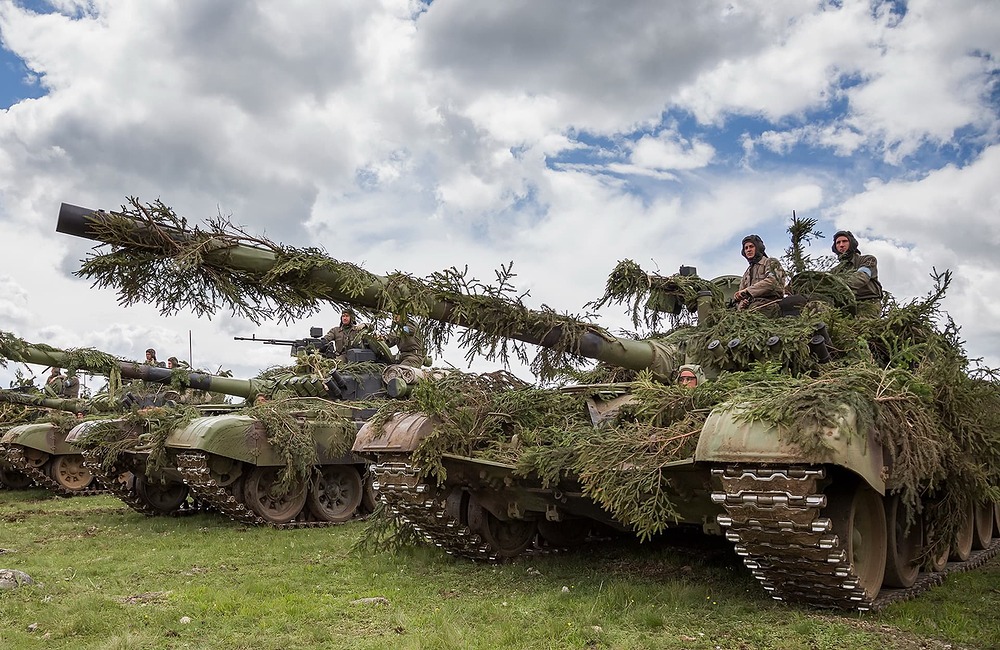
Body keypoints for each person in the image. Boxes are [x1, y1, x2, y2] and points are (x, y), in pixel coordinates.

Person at [831, 230, 883, 317]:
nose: (841, 245)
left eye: (844, 241)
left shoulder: (868, 260)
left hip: (868, 303)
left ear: (852, 243)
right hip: (846, 306)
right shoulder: (835, 271)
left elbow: (862, 276)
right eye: (838, 243)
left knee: (864, 325)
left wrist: (839, 286)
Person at [731, 234, 787, 311]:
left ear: (758, 248)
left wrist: (748, 291)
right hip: (752, 306)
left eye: (751, 246)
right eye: (746, 248)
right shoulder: (746, 274)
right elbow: (741, 293)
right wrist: (741, 302)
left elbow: (773, 281)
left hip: (770, 303)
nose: (748, 250)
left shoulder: (770, 262)